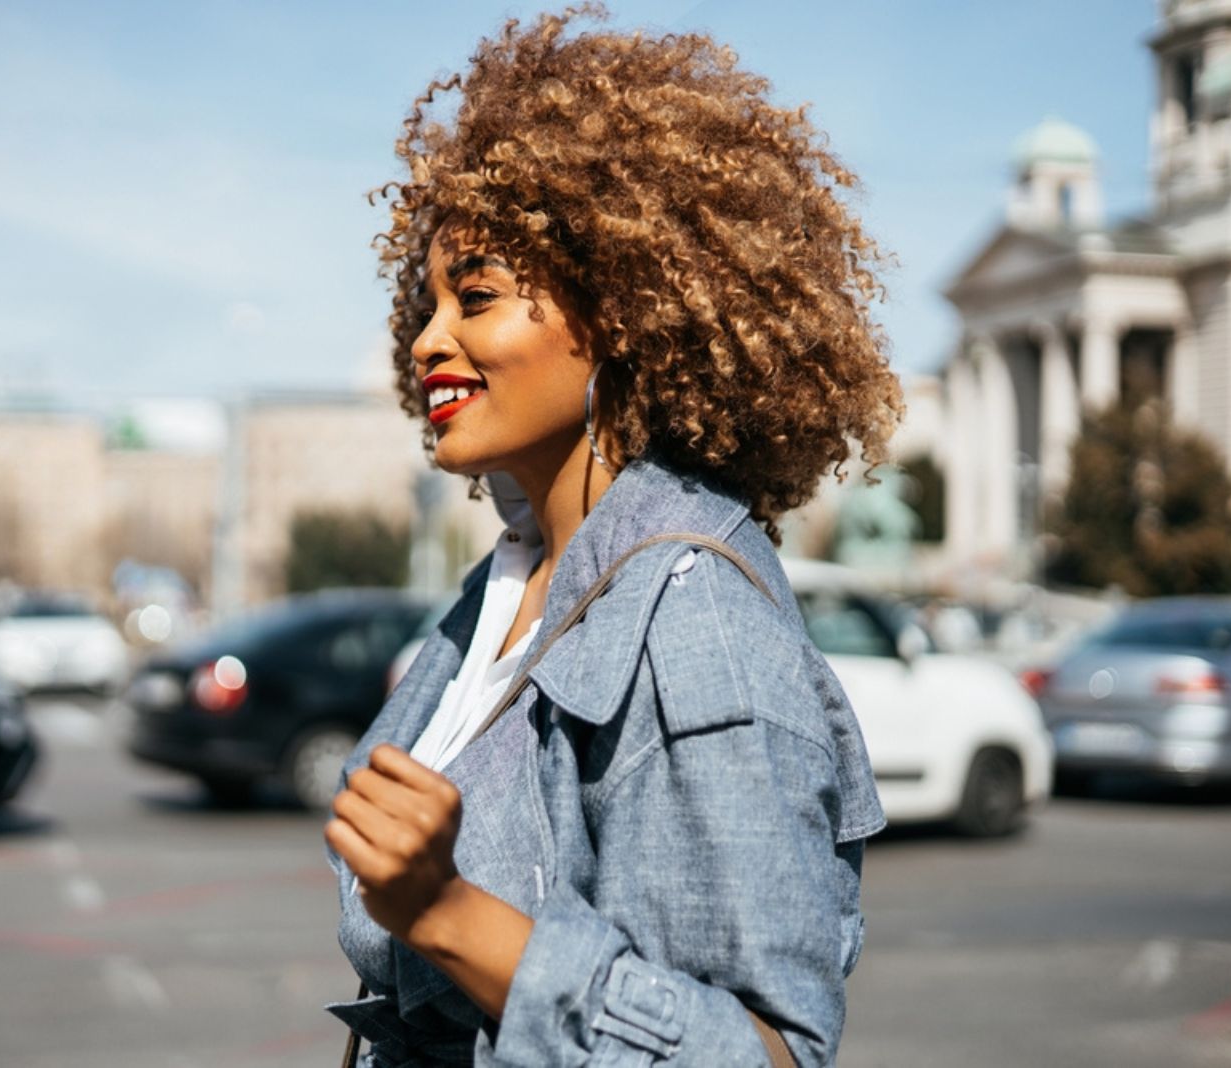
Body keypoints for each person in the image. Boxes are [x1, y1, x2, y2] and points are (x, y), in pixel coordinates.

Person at [324, 7, 902, 1065]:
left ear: (620, 315)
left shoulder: (697, 623)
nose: (425, 338)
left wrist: (448, 911)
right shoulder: (496, 596)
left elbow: (772, 1051)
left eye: (478, 297)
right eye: (428, 299)